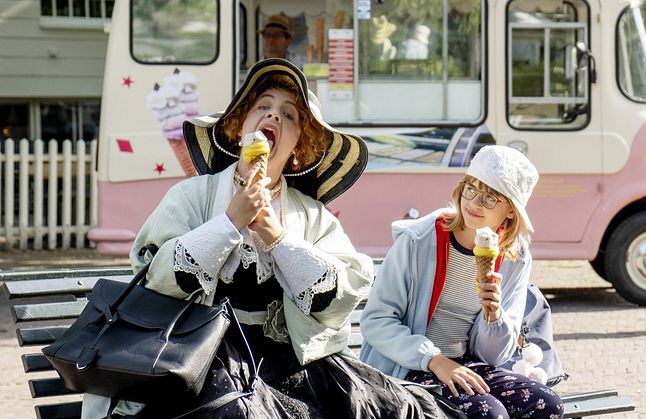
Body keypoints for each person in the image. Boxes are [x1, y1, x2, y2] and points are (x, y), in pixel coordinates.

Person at [81, 59, 455, 418]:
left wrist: (277, 237)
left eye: (289, 114)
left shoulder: (311, 214)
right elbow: (154, 278)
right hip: (201, 356)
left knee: (389, 409)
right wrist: (230, 222)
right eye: (263, 106)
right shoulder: (192, 196)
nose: (274, 115)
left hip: (291, 361)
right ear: (240, 126)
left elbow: (341, 296)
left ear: (298, 148)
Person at [360, 145, 565, 419]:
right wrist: (434, 360)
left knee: (547, 404)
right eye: (472, 188)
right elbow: (376, 320)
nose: (475, 203)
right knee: (489, 413)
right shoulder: (418, 241)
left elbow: (494, 357)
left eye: (491, 196)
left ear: (511, 211)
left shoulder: (515, 257)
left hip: (466, 365)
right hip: (404, 368)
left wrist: (494, 316)